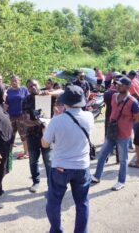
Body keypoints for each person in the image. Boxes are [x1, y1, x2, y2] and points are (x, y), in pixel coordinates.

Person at [42, 85, 94, 233]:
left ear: (65, 102)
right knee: (82, 203)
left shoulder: (56, 121)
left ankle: (57, 230)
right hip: (82, 167)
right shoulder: (89, 117)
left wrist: (46, 128)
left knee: (54, 202)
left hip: (60, 167)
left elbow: (45, 144)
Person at [91, 77, 139, 191]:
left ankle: (121, 181)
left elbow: (138, 118)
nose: (117, 86)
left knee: (123, 159)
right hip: (111, 132)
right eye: (117, 84)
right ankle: (96, 176)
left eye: (120, 85)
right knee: (102, 155)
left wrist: (126, 123)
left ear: (128, 87)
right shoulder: (114, 96)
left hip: (123, 134)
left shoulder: (133, 102)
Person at [23, 79, 52, 193]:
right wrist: (39, 122)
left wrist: (50, 93)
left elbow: (62, 92)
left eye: (34, 84)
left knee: (48, 160)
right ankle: (36, 182)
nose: (33, 87)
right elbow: (25, 120)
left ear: (39, 84)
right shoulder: (26, 100)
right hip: (32, 135)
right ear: (28, 89)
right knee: (33, 160)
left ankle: (51, 184)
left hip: (47, 134)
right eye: (30, 86)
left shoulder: (47, 95)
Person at [6, 75, 30, 159]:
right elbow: (6, 104)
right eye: (12, 81)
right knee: (10, 135)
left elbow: (29, 100)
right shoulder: (8, 91)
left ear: (19, 81)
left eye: (15, 80)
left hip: (22, 116)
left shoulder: (24, 89)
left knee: (23, 135)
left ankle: (26, 152)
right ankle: (9, 153)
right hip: (11, 116)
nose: (14, 82)